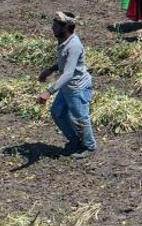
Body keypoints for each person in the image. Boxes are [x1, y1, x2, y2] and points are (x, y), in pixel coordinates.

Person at [36, 12, 97, 159]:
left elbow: (69, 73)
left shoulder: (74, 46)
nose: (52, 29)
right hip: (67, 86)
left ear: (66, 28)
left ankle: (90, 146)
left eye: (55, 26)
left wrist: (49, 91)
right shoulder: (64, 40)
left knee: (81, 118)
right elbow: (65, 62)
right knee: (58, 112)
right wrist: (50, 70)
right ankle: (75, 141)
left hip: (77, 87)